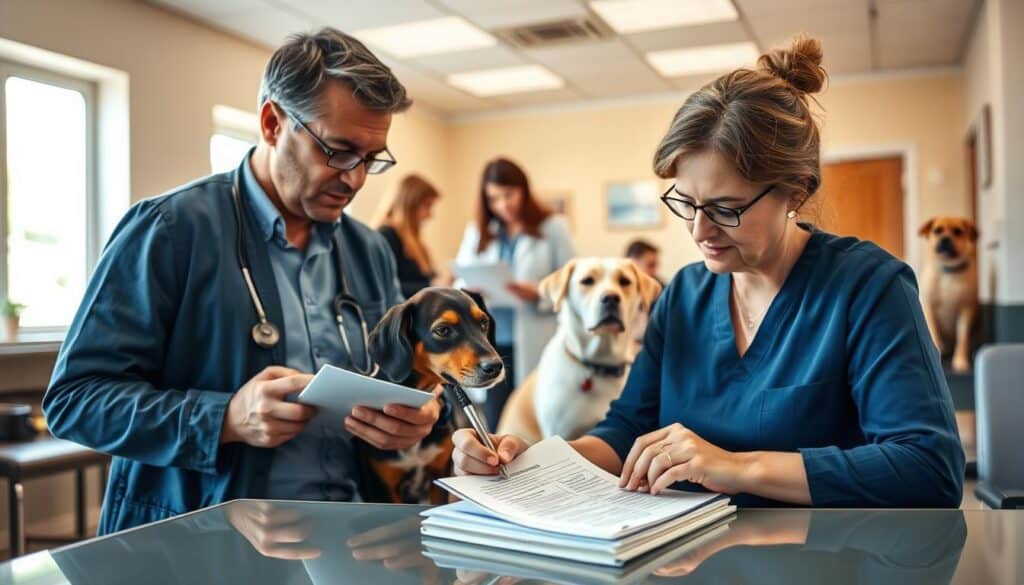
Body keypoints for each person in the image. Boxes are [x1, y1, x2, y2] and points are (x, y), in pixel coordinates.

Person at [453, 36, 965, 508]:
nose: (700, 231)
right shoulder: (684, 297)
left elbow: (928, 468)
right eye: (688, 203)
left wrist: (737, 468)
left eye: (726, 208)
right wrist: (527, 463)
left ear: (796, 191)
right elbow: (627, 429)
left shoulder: (868, 288)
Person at [44, 28, 450, 534]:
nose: (355, 179)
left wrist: (418, 414)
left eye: (371, 160)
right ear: (273, 122)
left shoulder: (368, 252)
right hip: (204, 543)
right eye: (339, 151)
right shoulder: (170, 230)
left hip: (351, 537)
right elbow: (76, 400)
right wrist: (224, 419)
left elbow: (399, 374)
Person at [454, 157, 575, 428]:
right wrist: (469, 290)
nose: (503, 205)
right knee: (498, 421)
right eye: (494, 199)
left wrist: (537, 292)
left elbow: (571, 284)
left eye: (508, 195)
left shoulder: (553, 227)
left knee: (539, 419)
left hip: (537, 336)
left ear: (523, 189)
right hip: (491, 342)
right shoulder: (479, 231)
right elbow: (461, 276)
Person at [377, 174, 446, 298]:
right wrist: (431, 285)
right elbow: (385, 286)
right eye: (427, 206)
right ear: (410, 204)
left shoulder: (414, 241)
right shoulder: (387, 235)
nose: (430, 215)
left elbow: (427, 276)